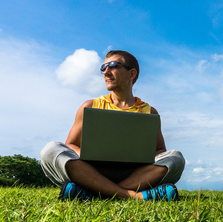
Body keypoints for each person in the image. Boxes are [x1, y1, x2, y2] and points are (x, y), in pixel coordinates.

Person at [40, 50, 185, 201]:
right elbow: (70, 144)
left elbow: (160, 150)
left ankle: (94, 192)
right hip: (92, 171)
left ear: (132, 74)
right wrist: (91, 155)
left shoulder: (149, 112)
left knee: (176, 158)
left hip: (135, 174)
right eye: (103, 67)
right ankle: (133, 196)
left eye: (113, 66)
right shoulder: (90, 106)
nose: (106, 72)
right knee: (51, 150)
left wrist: (142, 156)